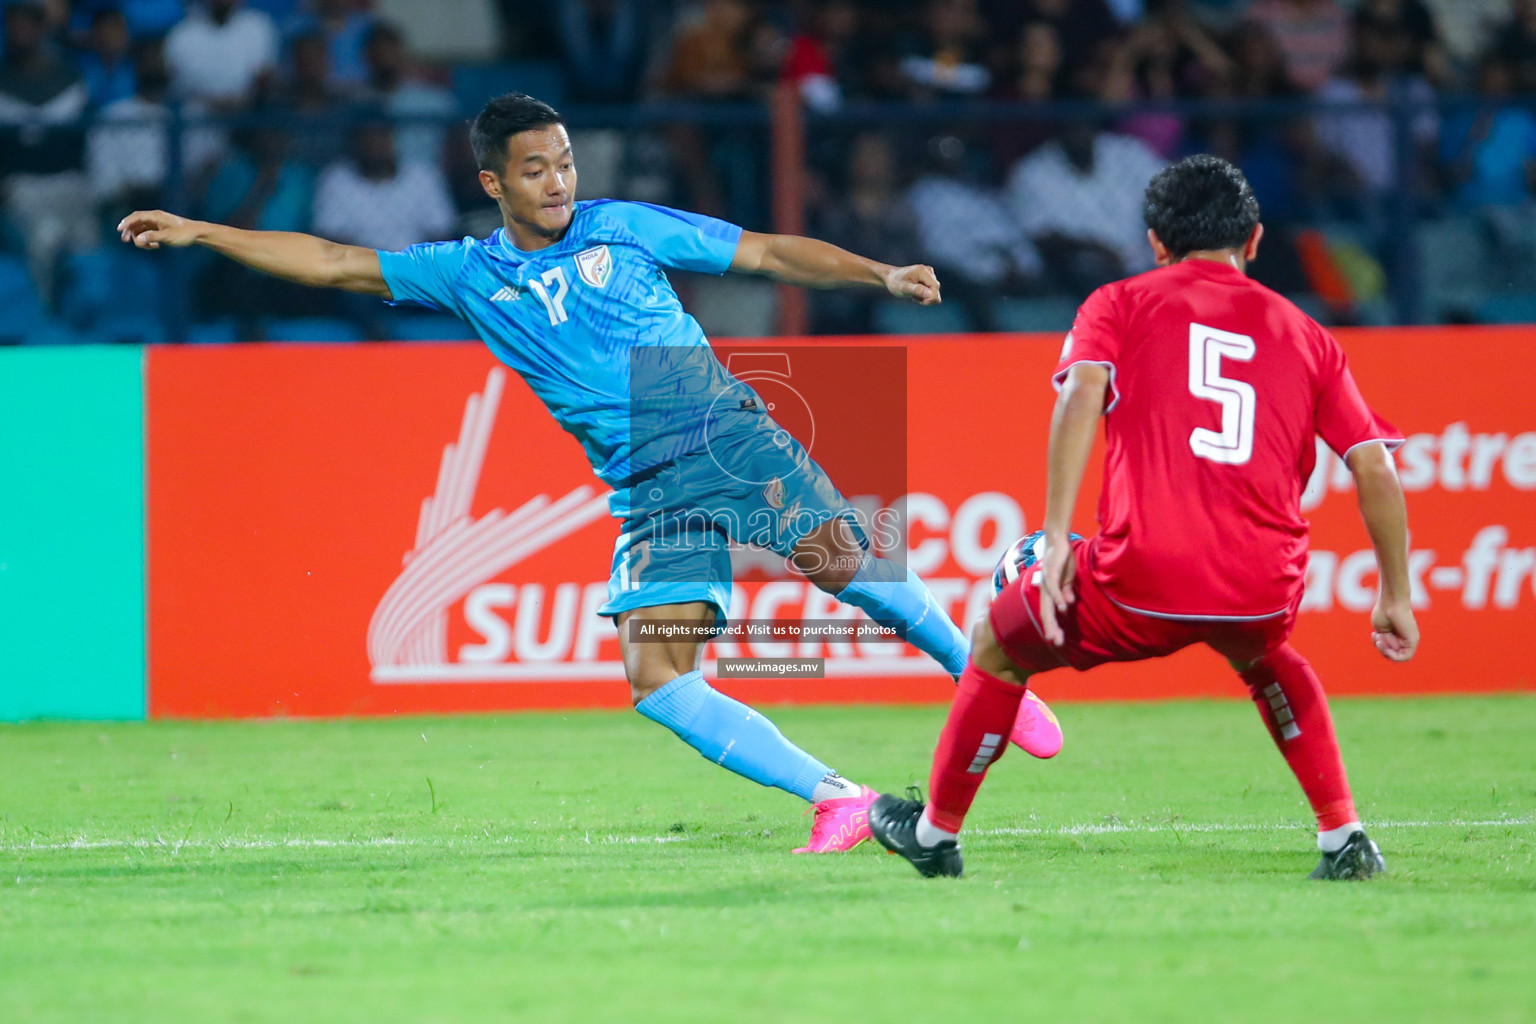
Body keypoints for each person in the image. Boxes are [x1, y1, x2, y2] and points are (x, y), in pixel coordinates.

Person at [116, 92, 1065, 854]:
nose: (559, 180)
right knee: (657, 677)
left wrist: (881, 275)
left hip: (718, 435)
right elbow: (329, 261)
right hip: (648, 490)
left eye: (566, 161)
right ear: (495, 182)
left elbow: (768, 251)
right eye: (536, 169)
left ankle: (990, 680)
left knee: (852, 573)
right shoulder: (465, 273)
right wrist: (202, 231)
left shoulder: (625, 226)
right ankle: (839, 800)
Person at [869, 155, 1418, 880]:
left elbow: (1080, 394)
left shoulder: (1120, 302)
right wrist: (1396, 595)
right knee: (1268, 658)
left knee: (997, 645)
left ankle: (935, 837)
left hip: (1141, 576)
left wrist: (1059, 536)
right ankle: (1345, 837)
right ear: (1253, 240)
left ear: (1156, 243)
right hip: (1264, 586)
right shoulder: (1308, 335)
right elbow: (1373, 464)